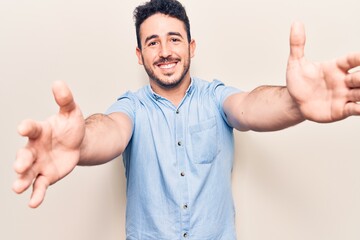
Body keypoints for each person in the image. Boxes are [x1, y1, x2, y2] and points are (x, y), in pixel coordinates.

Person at [12, 0, 360, 239]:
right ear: (139, 55)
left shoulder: (216, 96)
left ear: (191, 47)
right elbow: (111, 131)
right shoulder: (131, 107)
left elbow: (251, 108)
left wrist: (294, 102)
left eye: (174, 39)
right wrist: (81, 143)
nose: (164, 51)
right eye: (152, 42)